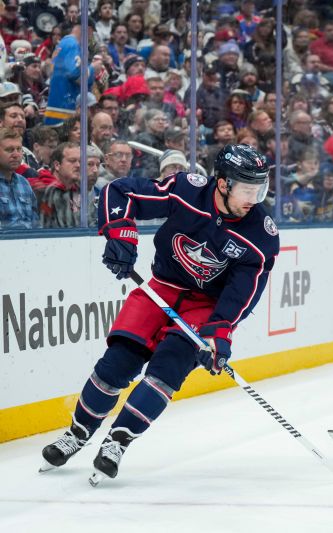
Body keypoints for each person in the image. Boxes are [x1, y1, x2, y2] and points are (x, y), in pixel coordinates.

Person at [40, 144, 280, 483]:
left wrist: (220, 331)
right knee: (117, 363)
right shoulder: (187, 190)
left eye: (260, 189)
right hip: (162, 287)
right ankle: (78, 433)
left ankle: (117, 442)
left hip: (205, 307)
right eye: (247, 189)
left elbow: (243, 292)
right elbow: (120, 191)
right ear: (223, 184)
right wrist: (120, 232)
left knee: (167, 370)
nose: (253, 199)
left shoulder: (260, 234)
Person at [0, 127, 38, 229]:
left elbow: (35, 221)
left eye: (19, 149)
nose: (16, 155)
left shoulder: (24, 182)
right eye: (9, 150)